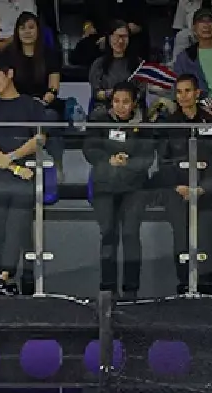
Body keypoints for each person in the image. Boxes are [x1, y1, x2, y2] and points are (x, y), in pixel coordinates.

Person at [0, 55, 46, 296]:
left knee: (17, 224)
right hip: (1, 176)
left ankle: (5, 277)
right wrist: (14, 167)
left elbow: (39, 139)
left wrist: (13, 157)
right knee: (1, 228)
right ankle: (6, 278)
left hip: (26, 176)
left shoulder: (32, 106)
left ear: (10, 73)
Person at [152, 73, 212, 296]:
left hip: (205, 189)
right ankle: (184, 285)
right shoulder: (169, 124)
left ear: (197, 93)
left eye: (187, 91)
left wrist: (202, 188)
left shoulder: (211, 122)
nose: (183, 96)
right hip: (178, 190)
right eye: (179, 92)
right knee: (181, 239)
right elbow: (163, 161)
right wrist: (179, 186)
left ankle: (207, 286)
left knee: (207, 236)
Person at [84, 82, 152, 297]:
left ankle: (131, 290)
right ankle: (108, 289)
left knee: (131, 234)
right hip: (105, 186)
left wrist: (129, 163)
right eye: (116, 101)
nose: (120, 106)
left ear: (134, 103)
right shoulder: (99, 121)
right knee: (108, 234)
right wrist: (108, 159)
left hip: (135, 187)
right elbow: (90, 149)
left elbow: (148, 156)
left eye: (125, 102)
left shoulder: (144, 125)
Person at [86, 20, 140, 103]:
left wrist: (127, 99)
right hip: (105, 107)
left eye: (124, 37)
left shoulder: (138, 63)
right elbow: (96, 93)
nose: (121, 41)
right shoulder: (99, 64)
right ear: (109, 38)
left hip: (132, 108)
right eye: (117, 36)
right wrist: (111, 94)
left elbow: (141, 92)